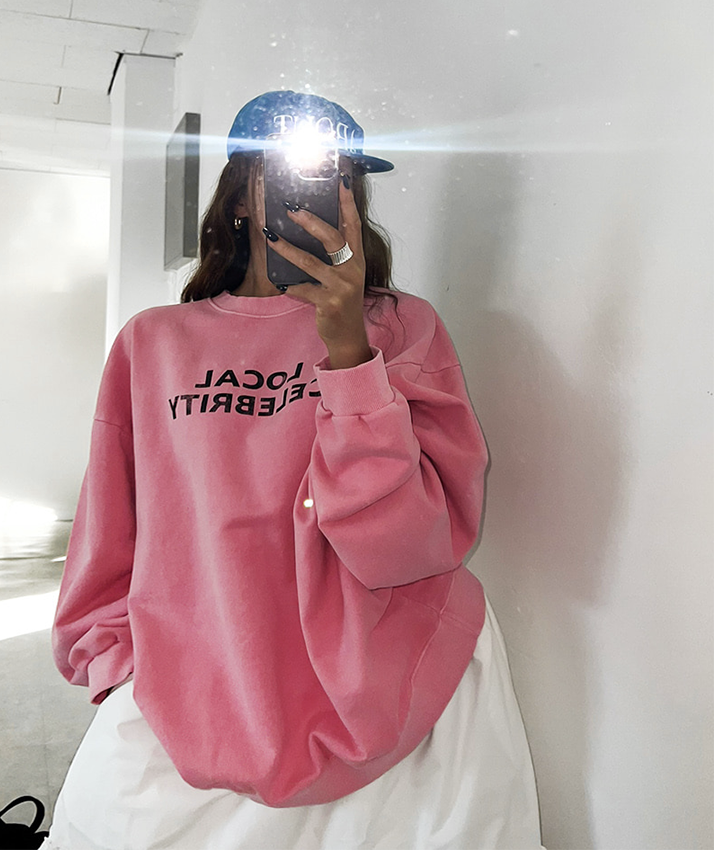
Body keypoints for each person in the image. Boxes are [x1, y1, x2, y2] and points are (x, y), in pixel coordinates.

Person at [44, 91, 545, 850]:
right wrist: (116, 666)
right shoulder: (153, 343)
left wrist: (349, 355)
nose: (321, 191)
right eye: (292, 173)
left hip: (391, 691)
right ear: (242, 196)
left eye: (341, 175)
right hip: (189, 693)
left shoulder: (400, 328)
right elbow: (111, 524)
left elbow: (409, 548)